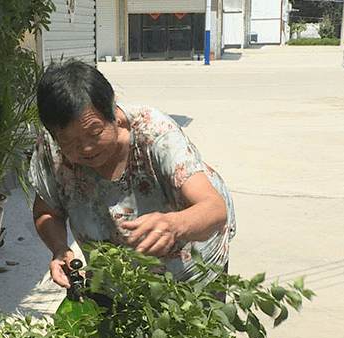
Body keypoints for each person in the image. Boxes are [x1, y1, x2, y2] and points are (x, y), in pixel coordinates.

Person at [29, 60, 236, 290]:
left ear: (113, 111)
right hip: (116, 281)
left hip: (189, 272)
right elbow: (47, 212)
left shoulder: (156, 135)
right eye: (69, 141)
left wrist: (174, 225)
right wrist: (59, 248)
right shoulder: (51, 147)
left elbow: (214, 209)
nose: (86, 148)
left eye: (95, 132)